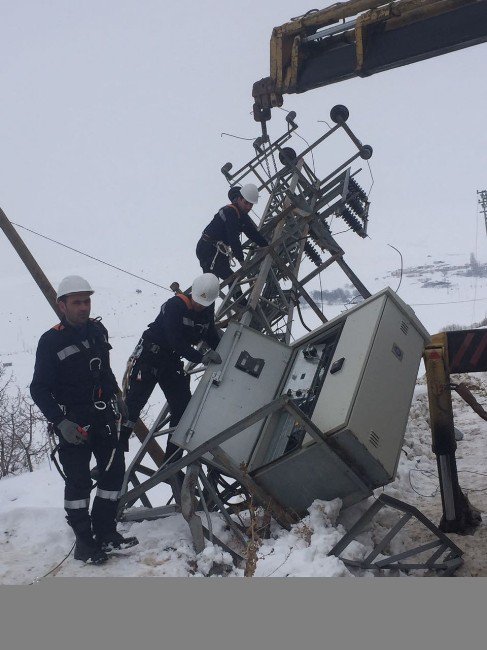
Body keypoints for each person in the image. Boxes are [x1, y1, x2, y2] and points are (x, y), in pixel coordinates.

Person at [30, 275, 138, 565]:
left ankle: (104, 531)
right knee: (78, 484)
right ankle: (84, 542)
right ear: (62, 305)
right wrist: (60, 422)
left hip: (102, 415)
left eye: (86, 301)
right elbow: (38, 388)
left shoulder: (98, 331)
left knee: (113, 474)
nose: (83, 307)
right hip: (73, 423)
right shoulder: (51, 340)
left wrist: (117, 395)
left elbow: (104, 369)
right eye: (76, 302)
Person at [121, 273, 222, 460]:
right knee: (132, 407)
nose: (201, 306)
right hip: (149, 357)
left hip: (171, 361)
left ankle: (172, 460)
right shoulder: (175, 305)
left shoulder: (207, 308)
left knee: (183, 407)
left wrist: (223, 350)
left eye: (205, 304)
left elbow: (209, 333)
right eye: (199, 302)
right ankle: (112, 457)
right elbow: (174, 339)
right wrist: (201, 357)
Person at [196, 183, 268, 284]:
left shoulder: (243, 217)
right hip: (207, 249)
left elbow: (253, 234)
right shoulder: (229, 212)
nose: (248, 207)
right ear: (239, 199)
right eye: (246, 203)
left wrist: (267, 246)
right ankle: (236, 299)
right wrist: (241, 260)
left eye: (251, 204)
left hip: (218, 251)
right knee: (213, 283)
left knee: (231, 280)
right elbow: (233, 237)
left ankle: (241, 300)